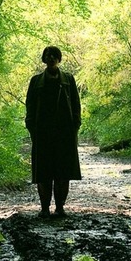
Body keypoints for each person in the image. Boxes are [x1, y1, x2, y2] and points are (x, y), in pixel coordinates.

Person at [25, 46, 82, 217]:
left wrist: (75, 126)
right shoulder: (35, 81)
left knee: (63, 172)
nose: (51, 58)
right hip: (42, 133)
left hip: (64, 134)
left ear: (59, 59)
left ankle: (60, 207)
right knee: (43, 173)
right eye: (48, 55)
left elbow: (76, 105)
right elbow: (30, 106)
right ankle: (44, 209)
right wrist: (32, 128)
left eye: (54, 55)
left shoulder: (69, 80)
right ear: (44, 59)